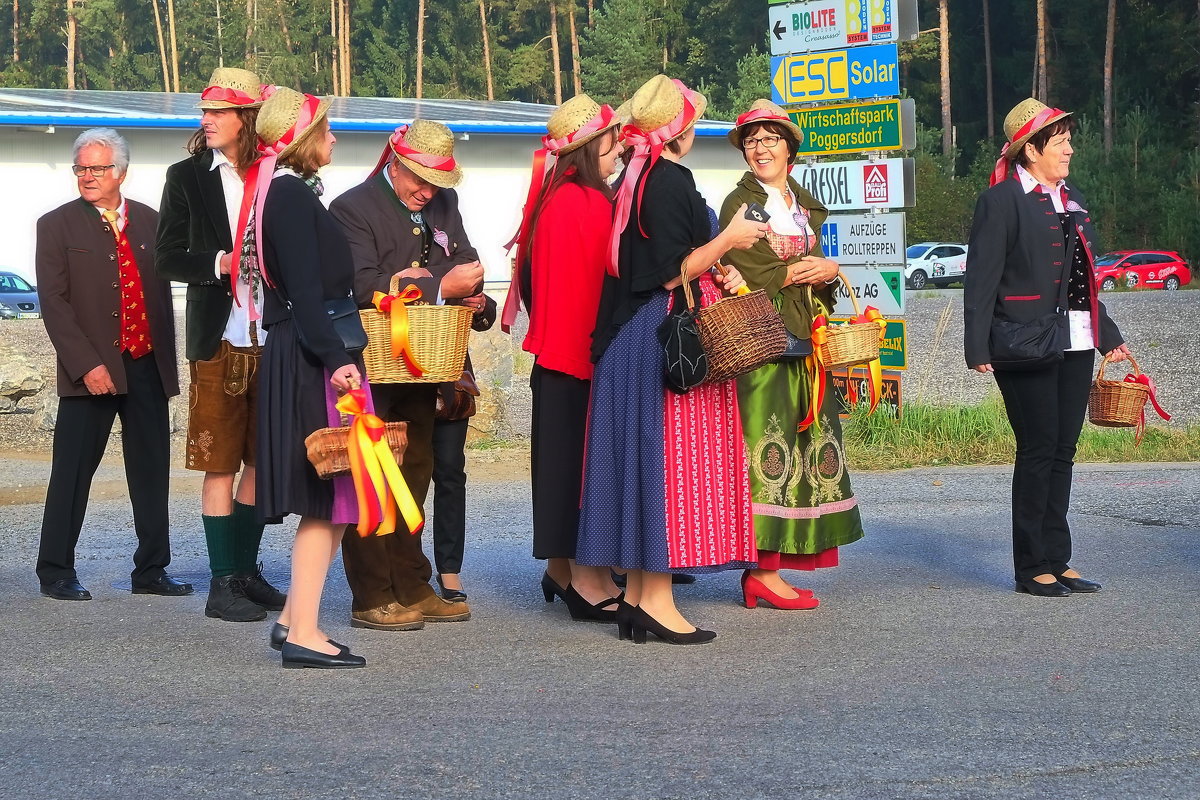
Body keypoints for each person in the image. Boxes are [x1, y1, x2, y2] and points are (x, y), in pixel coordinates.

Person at [575, 75, 765, 644]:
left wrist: (715, 263)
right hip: (660, 339)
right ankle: (655, 598)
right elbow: (667, 272)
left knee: (641, 467)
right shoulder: (667, 179)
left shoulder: (636, 180)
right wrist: (729, 240)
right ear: (681, 128)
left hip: (628, 341)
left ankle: (636, 596)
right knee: (667, 467)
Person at [965, 98, 1129, 597]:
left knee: (1063, 450)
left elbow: (1083, 279)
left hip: (1076, 338)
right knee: (1037, 449)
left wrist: (1109, 337)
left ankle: (1059, 557)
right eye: (1059, 141)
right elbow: (982, 279)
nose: (1069, 149)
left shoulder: (1071, 196)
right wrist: (977, 344)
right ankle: (1030, 564)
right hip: (1022, 339)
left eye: (1068, 140)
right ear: (1030, 150)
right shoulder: (1001, 201)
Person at [329, 121, 486, 630]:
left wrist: (464, 290)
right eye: (416, 179)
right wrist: (441, 285)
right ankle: (371, 594)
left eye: (435, 183)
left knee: (416, 471)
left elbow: (467, 258)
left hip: (424, 367)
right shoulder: (352, 208)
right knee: (371, 476)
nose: (426, 191)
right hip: (372, 364)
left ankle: (412, 584)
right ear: (393, 164)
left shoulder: (443, 204)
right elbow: (360, 282)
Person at [719, 99, 865, 610]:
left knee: (805, 446)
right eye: (752, 141)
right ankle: (760, 567)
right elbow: (744, 265)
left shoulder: (802, 203)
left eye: (770, 139)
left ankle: (775, 567)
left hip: (807, 338)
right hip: (763, 339)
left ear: (789, 148)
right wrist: (797, 271)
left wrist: (825, 270)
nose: (760, 148)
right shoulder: (739, 204)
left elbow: (805, 263)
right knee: (766, 446)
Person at [35, 128, 190, 601]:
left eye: (98, 168)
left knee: (150, 471)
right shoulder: (56, 225)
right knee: (72, 471)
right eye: (81, 167)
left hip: (145, 363)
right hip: (92, 370)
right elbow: (54, 304)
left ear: (120, 172)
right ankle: (56, 569)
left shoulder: (150, 220)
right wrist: (85, 365)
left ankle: (151, 570)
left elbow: (163, 294)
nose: (88, 176)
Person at [155, 67, 287, 623]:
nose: (206, 121)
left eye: (218, 112)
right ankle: (221, 580)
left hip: (271, 333)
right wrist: (220, 264)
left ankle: (246, 568)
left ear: (246, 118)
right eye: (203, 111)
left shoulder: (276, 174)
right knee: (218, 463)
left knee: (260, 461)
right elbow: (166, 258)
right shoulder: (186, 177)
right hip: (217, 337)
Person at [501, 93, 626, 621]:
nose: (619, 148)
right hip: (583, 354)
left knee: (555, 465)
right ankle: (584, 580)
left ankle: (559, 567)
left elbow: (530, 283)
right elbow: (611, 281)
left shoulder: (551, 199)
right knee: (580, 471)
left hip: (553, 351)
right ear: (593, 145)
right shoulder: (592, 204)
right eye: (612, 139)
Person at [252, 87, 366, 668]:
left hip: (307, 350)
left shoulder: (283, 192)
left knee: (331, 493)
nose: (334, 138)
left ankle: (291, 619)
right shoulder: (290, 195)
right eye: (326, 130)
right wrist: (338, 360)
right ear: (302, 139)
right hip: (314, 355)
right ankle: (303, 633)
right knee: (329, 496)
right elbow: (304, 295)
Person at [430, 294, 496, 602]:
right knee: (403, 478)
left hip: (450, 382)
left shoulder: (453, 247)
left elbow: (486, 309)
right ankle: (407, 570)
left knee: (451, 474)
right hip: (397, 374)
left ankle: (449, 568)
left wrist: (480, 304)